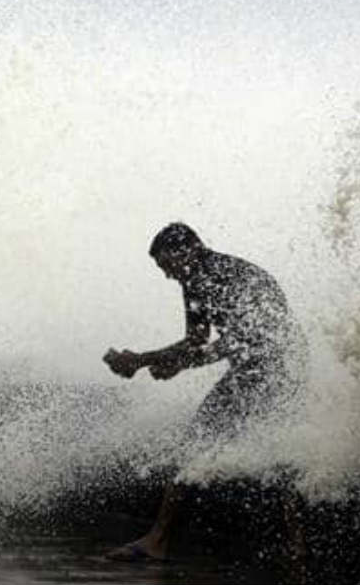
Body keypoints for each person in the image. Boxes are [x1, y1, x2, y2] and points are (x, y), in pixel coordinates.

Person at [102, 222, 304, 561]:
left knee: (196, 443)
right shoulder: (193, 280)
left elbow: (238, 340)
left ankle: (158, 541)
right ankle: (296, 546)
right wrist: (161, 362)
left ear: (189, 250)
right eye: (162, 270)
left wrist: (142, 360)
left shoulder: (225, 274)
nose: (168, 276)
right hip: (266, 366)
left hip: (273, 367)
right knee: (277, 448)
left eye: (167, 266)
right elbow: (196, 341)